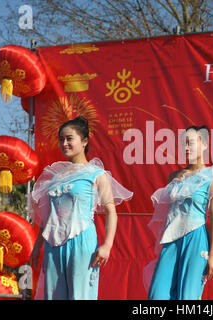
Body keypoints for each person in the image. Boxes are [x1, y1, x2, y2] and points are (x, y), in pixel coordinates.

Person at [29, 116, 133, 300]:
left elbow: (111, 211)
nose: (64, 143)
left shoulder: (96, 174)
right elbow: (48, 217)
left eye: (69, 138)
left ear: (84, 141)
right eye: (61, 139)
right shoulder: (55, 176)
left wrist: (107, 246)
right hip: (52, 245)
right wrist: (37, 247)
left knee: (80, 296)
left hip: (81, 242)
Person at [145, 125, 213, 300]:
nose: (186, 148)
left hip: (196, 238)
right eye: (183, 144)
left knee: (188, 298)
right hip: (171, 239)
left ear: (205, 145)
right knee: (157, 295)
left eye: (190, 143)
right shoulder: (174, 176)